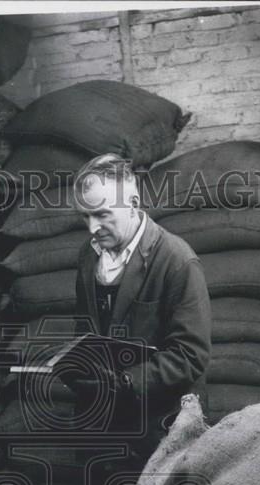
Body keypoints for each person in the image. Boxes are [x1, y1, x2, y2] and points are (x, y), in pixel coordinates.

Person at [66, 153, 211, 463]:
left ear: (132, 202)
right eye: (84, 216)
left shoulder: (177, 260)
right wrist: (75, 364)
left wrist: (128, 382)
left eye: (102, 214)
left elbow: (191, 354)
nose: (93, 227)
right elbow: (87, 331)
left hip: (162, 430)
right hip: (103, 426)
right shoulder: (88, 256)